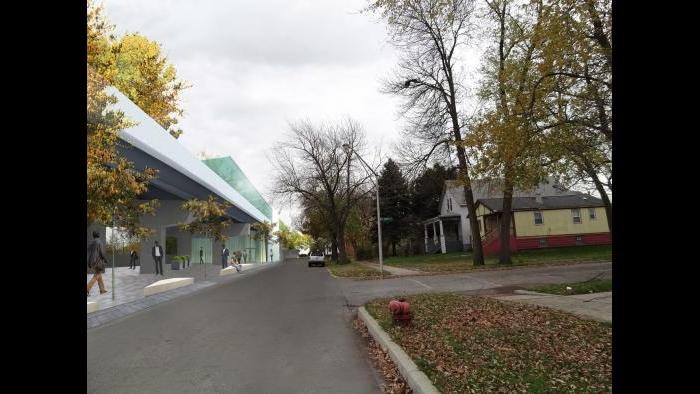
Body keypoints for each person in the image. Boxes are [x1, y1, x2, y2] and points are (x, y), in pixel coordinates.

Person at [87, 231, 108, 296]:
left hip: (91, 261)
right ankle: (87, 289)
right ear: (98, 235)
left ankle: (102, 290)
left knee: (99, 275)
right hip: (97, 262)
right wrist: (105, 259)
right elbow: (101, 252)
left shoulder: (92, 242)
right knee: (96, 275)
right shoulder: (99, 242)